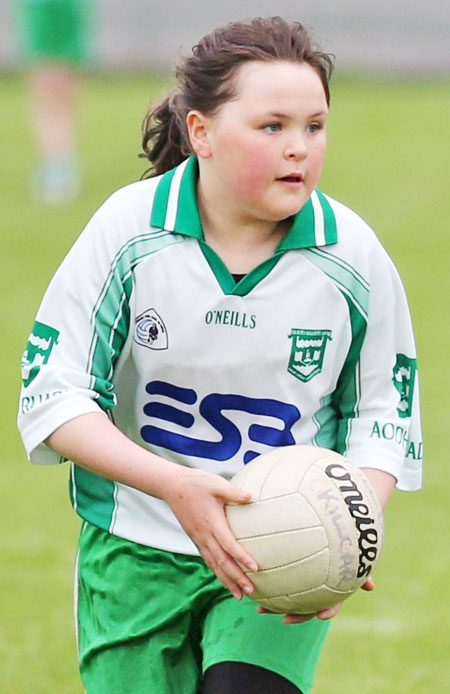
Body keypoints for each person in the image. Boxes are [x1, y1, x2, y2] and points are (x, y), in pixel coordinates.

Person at [17, 16, 423, 694]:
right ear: (201, 133)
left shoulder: (352, 258)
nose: (300, 149)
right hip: (135, 542)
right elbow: (53, 397)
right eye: (272, 127)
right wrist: (175, 486)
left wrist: (353, 525)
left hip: (282, 549)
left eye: (314, 126)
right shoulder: (128, 230)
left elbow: (382, 412)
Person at [15, 0, 94, 202]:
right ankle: (56, 160)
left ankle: (60, 161)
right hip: (42, 7)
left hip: (65, 7)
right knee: (48, 84)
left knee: (60, 85)